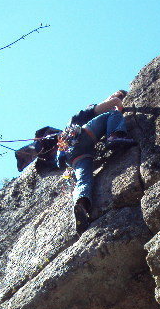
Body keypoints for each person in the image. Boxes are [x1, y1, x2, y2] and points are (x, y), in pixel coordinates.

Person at [16, 90, 137, 234]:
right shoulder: (84, 114)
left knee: (84, 180)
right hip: (80, 138)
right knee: (114, 114)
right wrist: (119, 106)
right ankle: (114, 136)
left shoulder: (69, 127)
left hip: (70, 156)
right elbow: (114, 104)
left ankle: (81, 204)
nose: (118, 98)